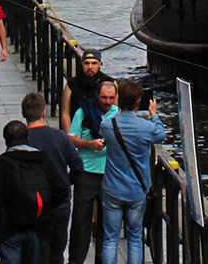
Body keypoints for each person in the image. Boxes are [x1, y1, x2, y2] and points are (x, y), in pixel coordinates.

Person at [99, 81, 165, 264]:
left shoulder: (107, 125)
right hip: (136, 189)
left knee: (110, 238)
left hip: (112, 188)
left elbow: (102, 133)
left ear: (118, 100)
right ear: (138, 101)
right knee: (135, 238)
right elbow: (160, 135)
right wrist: (154, 115)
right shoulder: (145, 128)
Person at [0, 121, 67, 264]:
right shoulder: (42, 159)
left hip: (9, 232)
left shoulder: (2, 164)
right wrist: (44, 208)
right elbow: (62, 189)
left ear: (6, 141)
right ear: (27, 137)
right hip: (38, 229)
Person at [22, 94, 83, 264]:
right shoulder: (60, 137)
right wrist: (64, 182)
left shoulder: (22, 139)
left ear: (24, 114)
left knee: (37, 250)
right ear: (43, 113)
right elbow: (78, 167)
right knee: (56, 251)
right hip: (59, 203)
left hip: (32, 203)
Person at [67, 82, 117, 264]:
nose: (107, 101)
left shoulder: (117, 114)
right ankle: (75, 260)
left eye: (111, 98)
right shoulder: (83, 112)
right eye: (104, 97)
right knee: (81, 222)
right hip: (86, 172)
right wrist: (90, 144)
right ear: (97, 95)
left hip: (109, 174)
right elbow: (71, 138)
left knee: (107, 223)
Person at [60, 52, 110, 134]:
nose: (90, 67)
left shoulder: (109, 82)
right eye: (86, 63)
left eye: (94, 63)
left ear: (100, 65)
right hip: (77, 130)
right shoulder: (72, 84)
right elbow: (65, 114)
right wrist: (71, 137)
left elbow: (116, 111)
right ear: (82, 64)